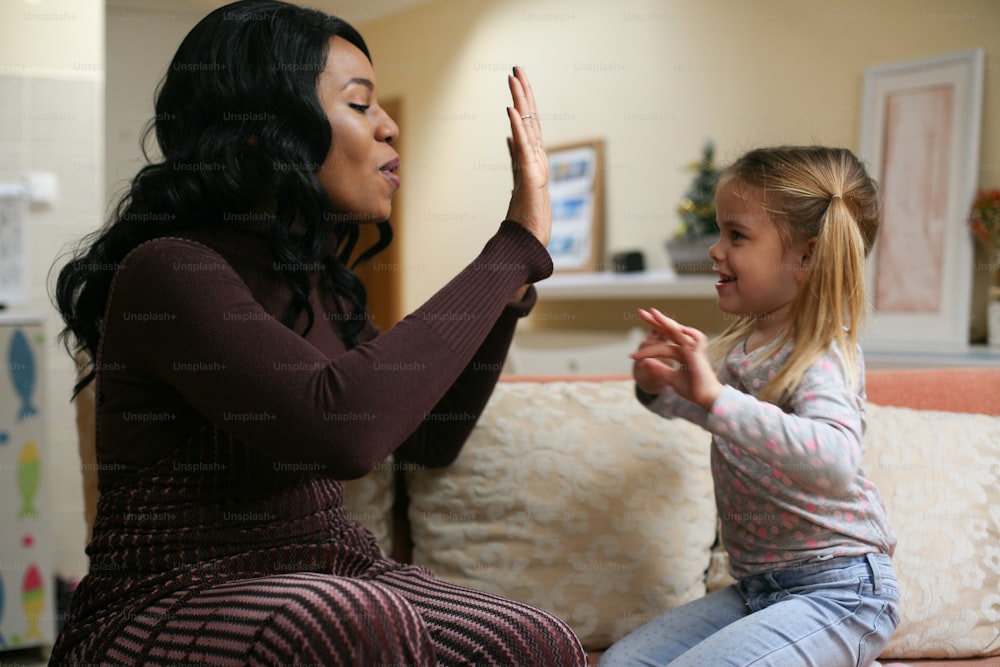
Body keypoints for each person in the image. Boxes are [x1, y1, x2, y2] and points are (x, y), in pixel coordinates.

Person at [49, 1, 586, 665]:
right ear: (260, 130)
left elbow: (428, 440)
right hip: (167, 591)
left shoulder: (323, 284)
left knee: (532, 640)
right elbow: (342, 427)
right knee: (348, 617)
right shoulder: (170, 271)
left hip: (329, 570)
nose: (390, 126)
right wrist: (512, 249)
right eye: (361, 106)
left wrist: (509, 290)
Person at [600, 146, 899, 666]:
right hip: (759, 590)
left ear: (806, 256)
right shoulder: (742, 347)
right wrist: (663, 388)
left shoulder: (822, 351)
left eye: (736, 236)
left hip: (842, 592)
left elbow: (834, 460)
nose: (716, 250)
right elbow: (723, 418)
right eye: (720, 232)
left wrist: (714, 396)